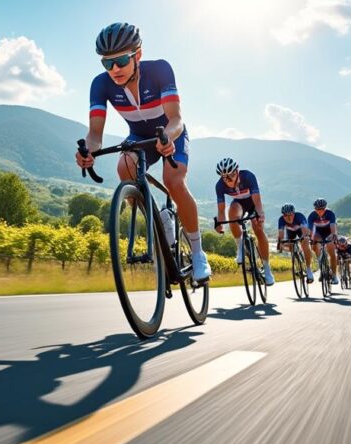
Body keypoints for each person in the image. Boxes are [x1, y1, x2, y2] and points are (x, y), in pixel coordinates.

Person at [76, 22, 211, 282]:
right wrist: (87, 151)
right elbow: (94, 136)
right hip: (138, 137)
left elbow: (176, 119)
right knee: (123, 166)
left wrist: (168, 137)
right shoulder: (100, 85)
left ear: (137, 54)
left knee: (174, 181)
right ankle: (159, 223)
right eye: (107, 63)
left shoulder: (159, 69)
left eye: (121, 60)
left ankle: (197, 253)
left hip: (169, 132)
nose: (114, 69)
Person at [213, 158, 275, 286]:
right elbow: (221, 210)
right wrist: (219, 223)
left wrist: (260, 214)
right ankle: (240, 246)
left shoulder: (248, 176)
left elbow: (257, 202)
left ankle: (267, 268)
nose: (228, 180)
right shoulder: (219, 186)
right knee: (232, 212)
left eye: (231, 176)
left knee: (258, 229)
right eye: (224, 177)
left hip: (252, 203)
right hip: (239, 204)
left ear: (237, 171)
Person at [276, 203, 314, 283]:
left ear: (294, 213)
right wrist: (280, 242)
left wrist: (304, 237)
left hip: (301, 231)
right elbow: (281, 233)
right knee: (291, 247)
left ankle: (308, 269)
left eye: (291, 215)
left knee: (305, 244)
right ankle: (296, 257)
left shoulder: (299, 216)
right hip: (291, 232)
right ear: (283, 215)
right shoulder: (281, 220)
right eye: (286, 215)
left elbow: (304, 228)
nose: (289, 217)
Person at [308, 198, 339, 285]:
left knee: (332, 252)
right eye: (318, 209)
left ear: (325, 208)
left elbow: (333, 226)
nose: (320, 211)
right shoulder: (312, 216)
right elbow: (311, 230)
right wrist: (313, 239)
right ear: (315, 209)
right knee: (314, 246)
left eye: (322, 209)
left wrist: (333, 235)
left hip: (328, 231)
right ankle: (322, 267)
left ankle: (334, 275)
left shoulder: (330, 213)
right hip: (318, 232)